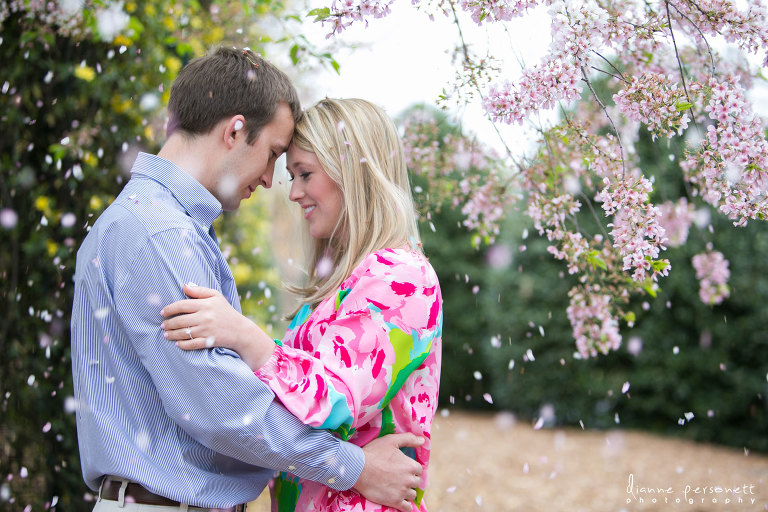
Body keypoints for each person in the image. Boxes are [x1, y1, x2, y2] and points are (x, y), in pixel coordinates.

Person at [71, 48, 424, 512]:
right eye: (275, 155)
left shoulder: (157, 225)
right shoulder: (160, 234)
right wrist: (355, 467)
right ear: (235, 130)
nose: (273, 181)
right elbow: (223, 408)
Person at [160, 98, 443, 511]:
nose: (293, 192)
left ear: (352, 173)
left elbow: (334, 401)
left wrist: (242, 335)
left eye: (304, 174)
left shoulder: (401, 279)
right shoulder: (347, 282)